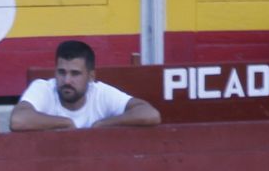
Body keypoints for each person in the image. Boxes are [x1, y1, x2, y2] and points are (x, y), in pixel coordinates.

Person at [9, 39, 160, 130]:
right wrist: (66, 123)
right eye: (61, 72)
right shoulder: (44, 88)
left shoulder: (100, 93)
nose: (67, 80)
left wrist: (101, 125)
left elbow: (150, 114)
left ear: (91, 76)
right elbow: (18, 120)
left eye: (75, 73)